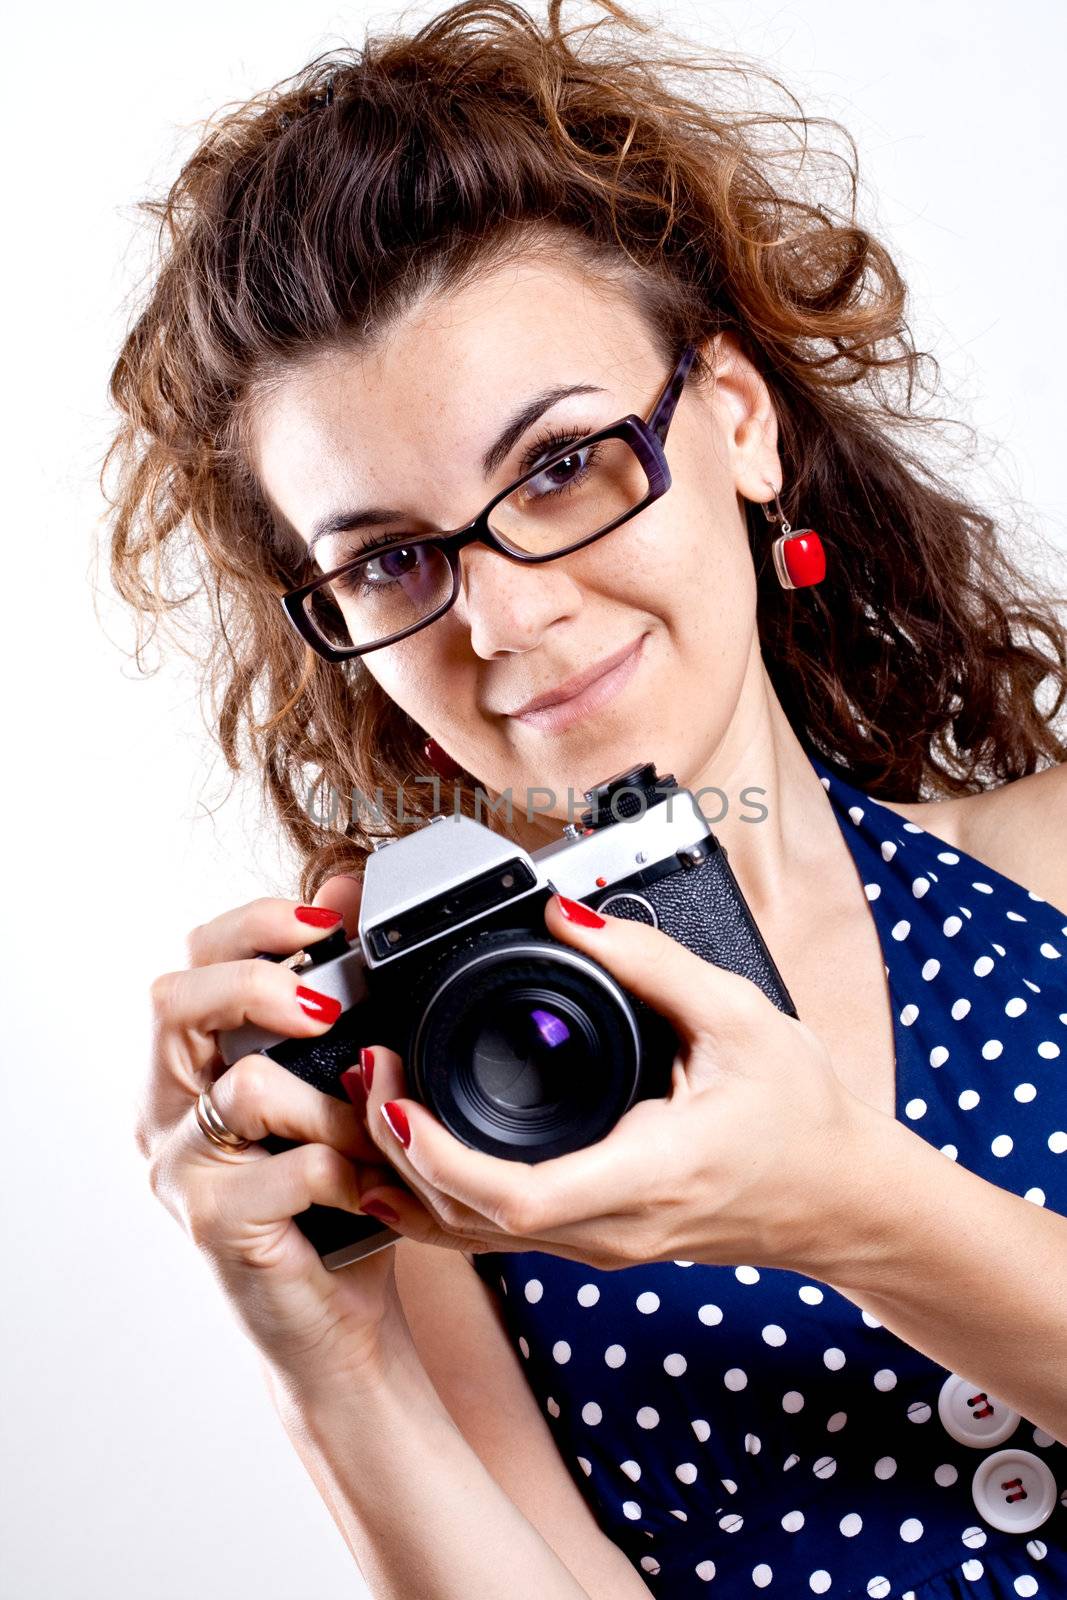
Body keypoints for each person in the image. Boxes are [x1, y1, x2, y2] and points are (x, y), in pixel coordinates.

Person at [103, 1, 1067, 1595]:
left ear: (741, 424)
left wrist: (840, 1206)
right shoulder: (411, 1091)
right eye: (392, 559)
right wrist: (329, 1355)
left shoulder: (1048, 873)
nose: (505, 616)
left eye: (560, 465)